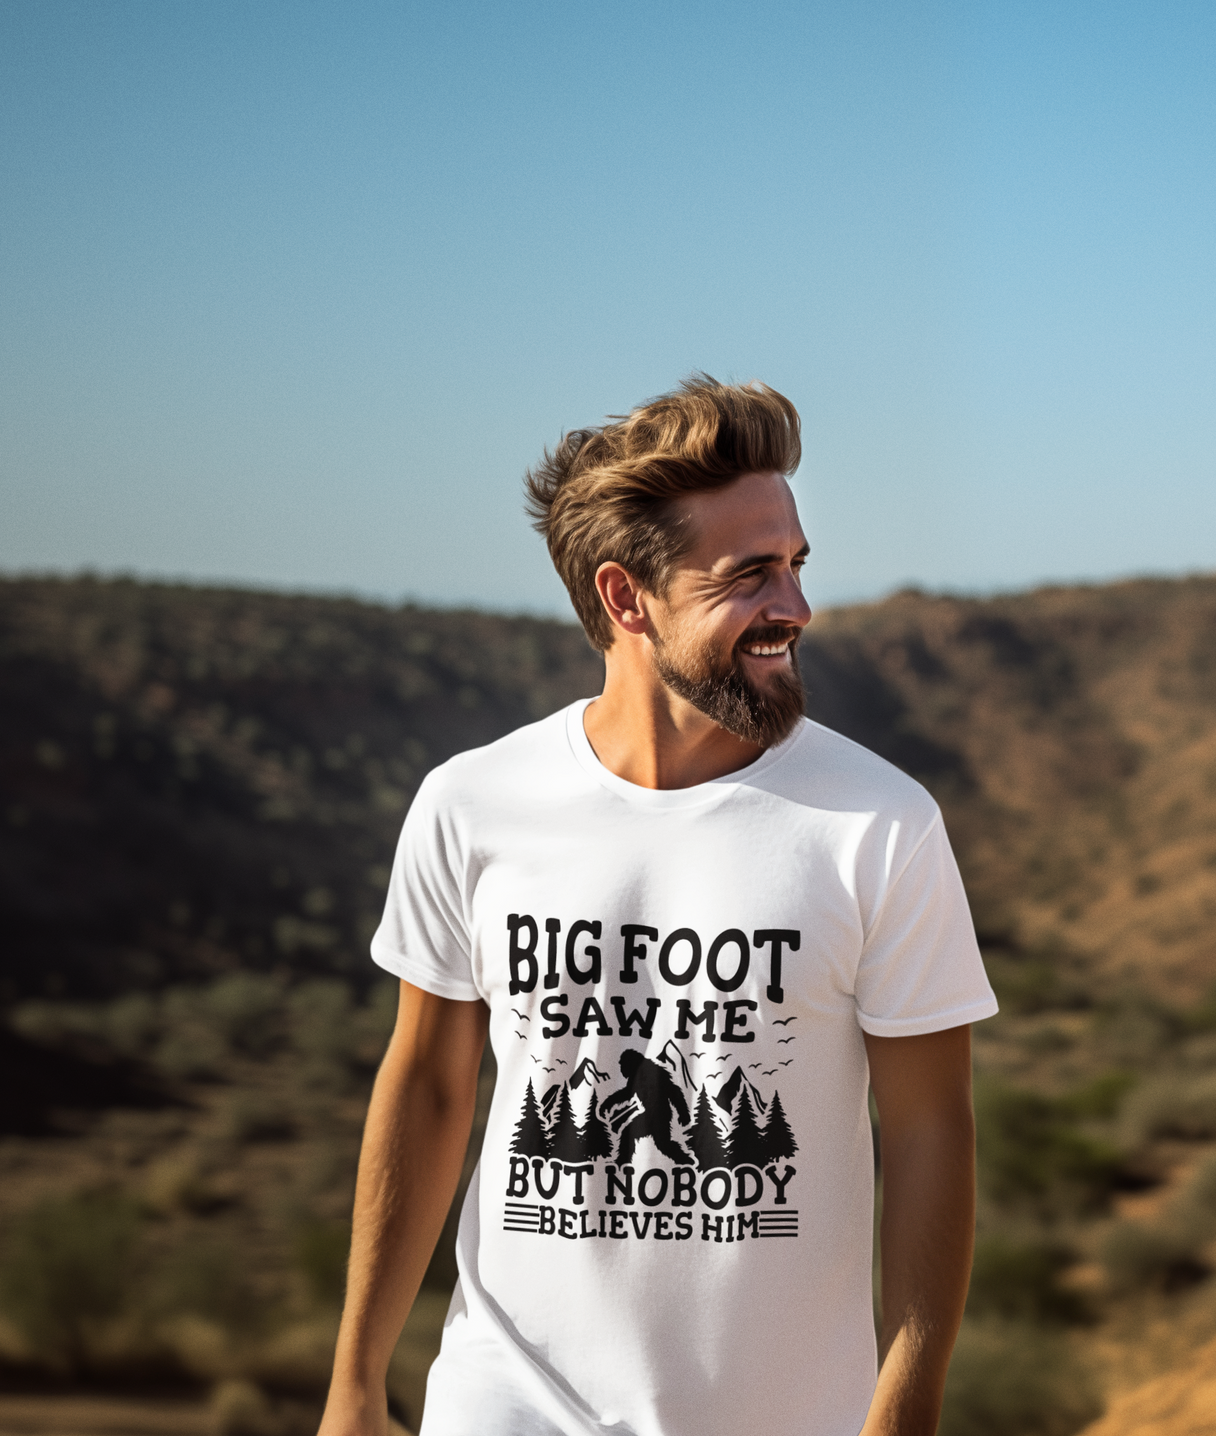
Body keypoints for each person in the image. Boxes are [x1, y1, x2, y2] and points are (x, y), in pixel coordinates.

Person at [318, 376, 997, 1436]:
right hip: (504, 1403)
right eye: (750, 574)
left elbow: (926, 1131)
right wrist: (354, 1383)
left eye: (796, 565)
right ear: (626, 598)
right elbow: (428, 1084)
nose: (795, 607)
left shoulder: (880, 824)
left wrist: (902, 1409)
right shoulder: (471, 803)